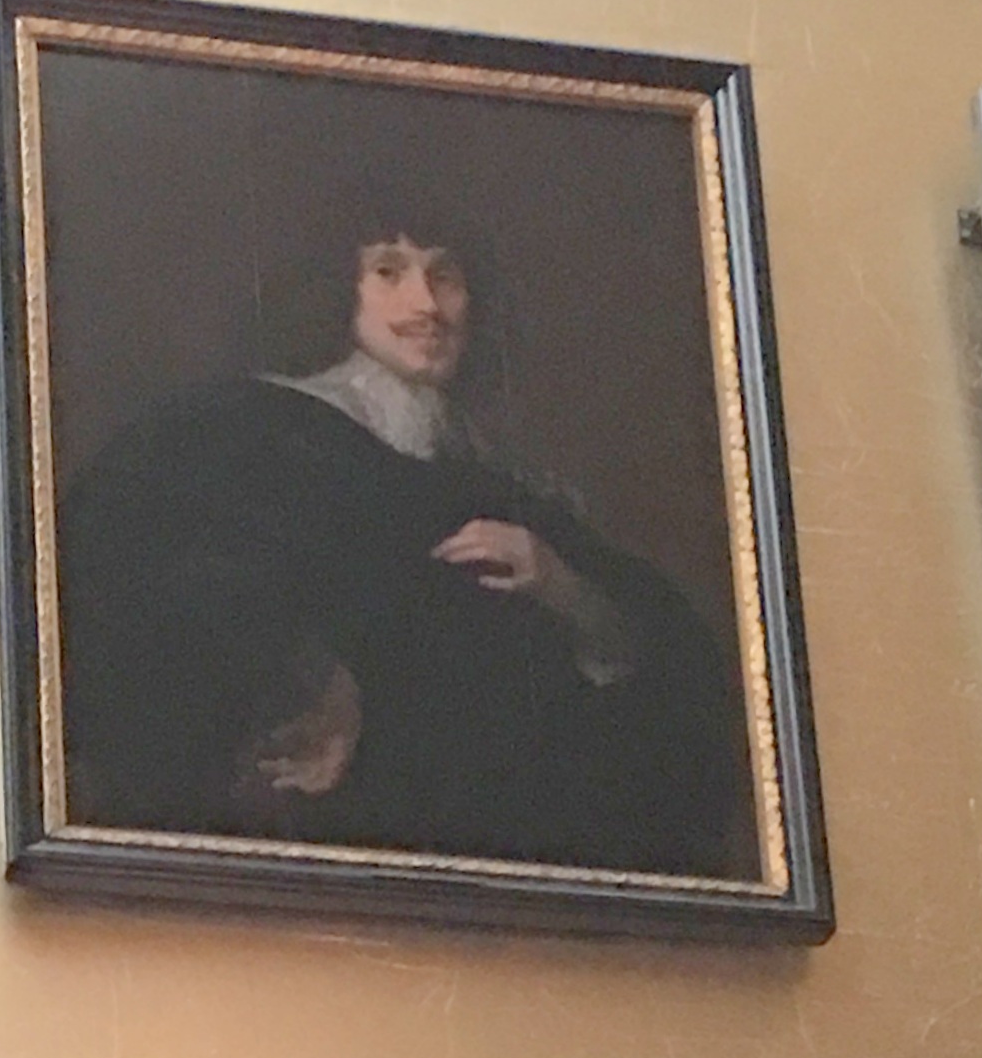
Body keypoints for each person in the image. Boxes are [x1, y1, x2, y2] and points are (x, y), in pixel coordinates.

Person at [56, 198, 744, 874]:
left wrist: (559, 584)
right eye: (388, 271)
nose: (427, 305)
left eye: (446, 276)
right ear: (341, 290)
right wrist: (308, 683)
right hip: (317, 831)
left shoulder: (506, 485)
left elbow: (672, 669)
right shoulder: (248, 429)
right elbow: (134, 576)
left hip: (483, 846)